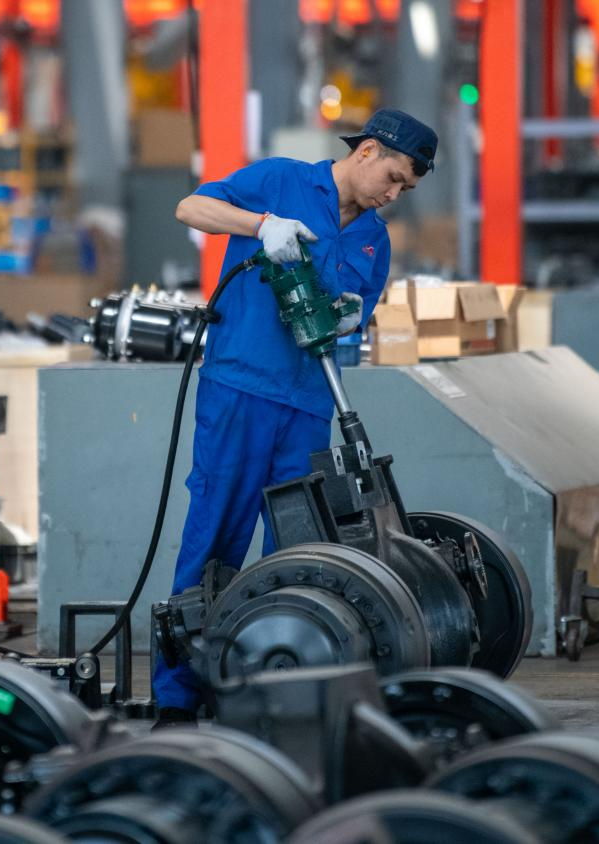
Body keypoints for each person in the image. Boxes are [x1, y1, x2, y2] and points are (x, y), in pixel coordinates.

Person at [153, 108, 438, 726]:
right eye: (392, 178)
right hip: (240, 391)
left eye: (405, 190)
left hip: (309, 404)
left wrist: (346, 317)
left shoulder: (373, 240)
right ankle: (178, 699)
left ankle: (280, 694)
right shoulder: (282, 181)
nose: (393, 195)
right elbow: (191, 208)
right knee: (214, 539)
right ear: (367, 151)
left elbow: (351, 323)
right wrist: (261, 225)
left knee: (300, 552)